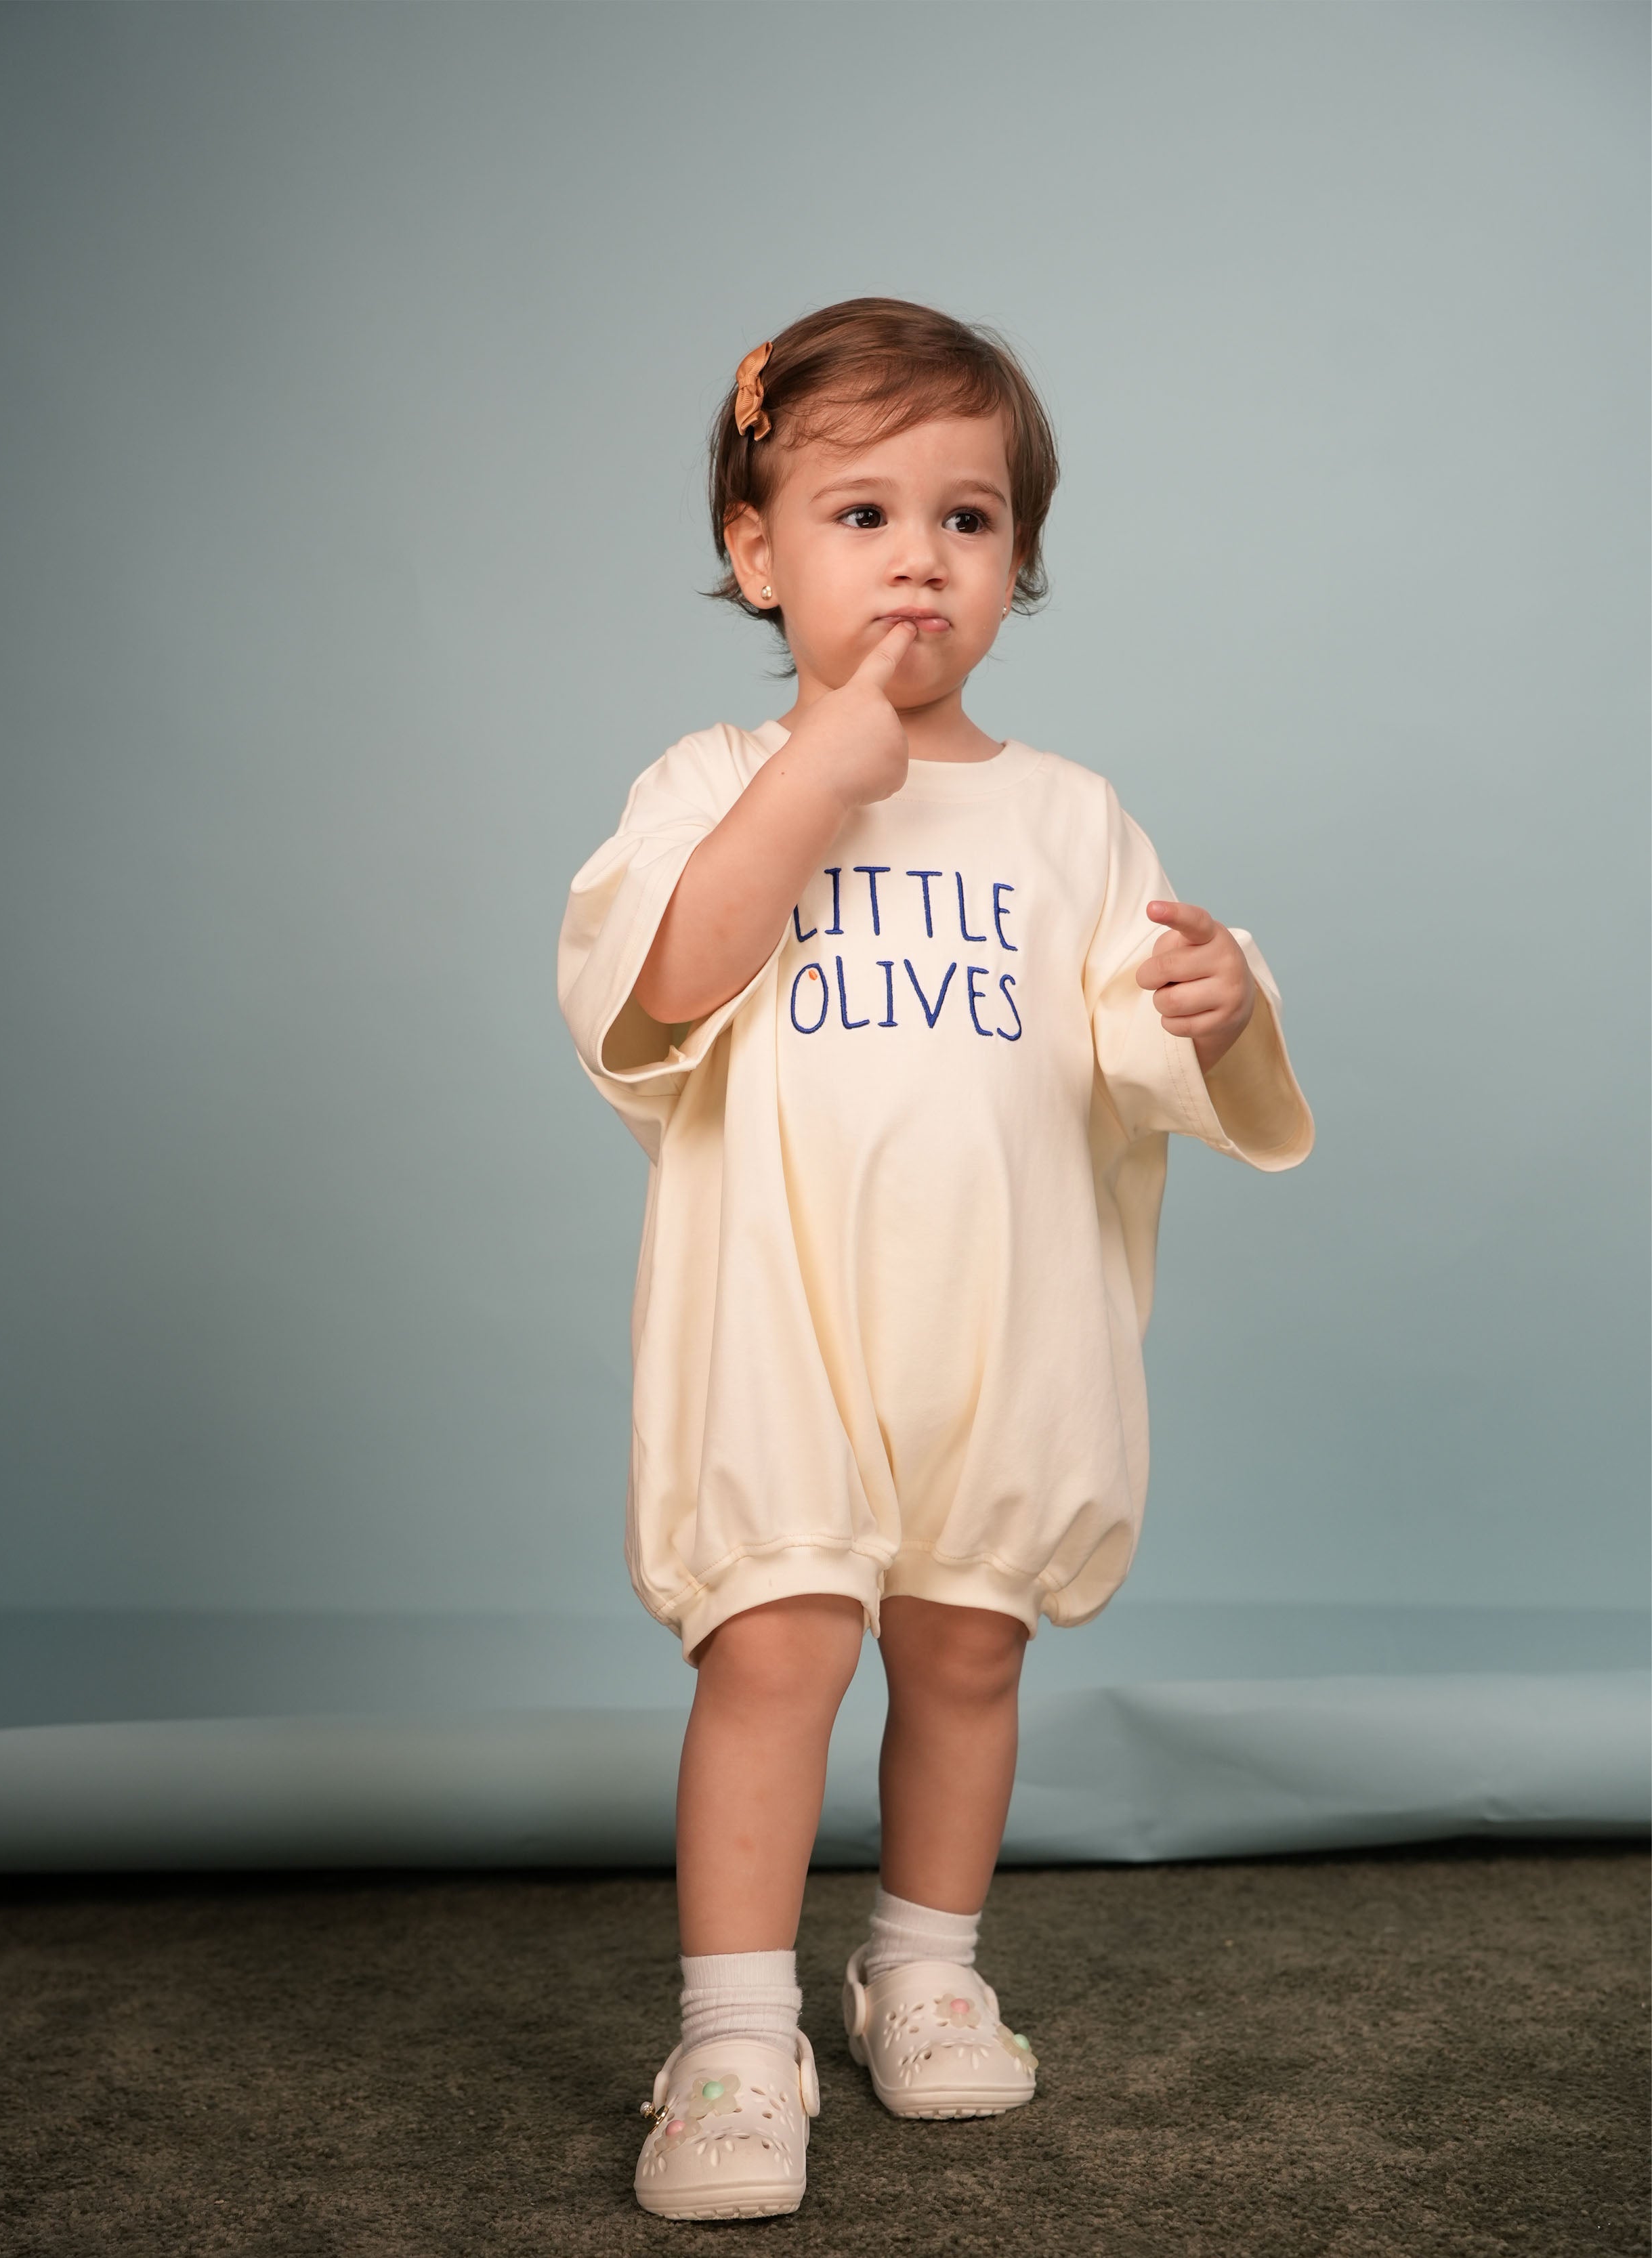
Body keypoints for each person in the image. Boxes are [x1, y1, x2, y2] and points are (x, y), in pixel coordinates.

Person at [557, 297, 1313, 2220]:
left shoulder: (1065, 817)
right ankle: (732, 2037)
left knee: (966, 1646)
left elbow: (1134, 1052)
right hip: (782, 1321)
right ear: (757, 551)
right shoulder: (705, 782)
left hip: (997, 1325)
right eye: (860, 512)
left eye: (966, 521)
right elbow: (663, 988)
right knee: (778, 1645)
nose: (918, 558)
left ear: (1018, 564)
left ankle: (924, 1964)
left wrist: (1214, 1009)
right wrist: (822, 767)